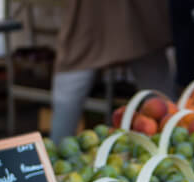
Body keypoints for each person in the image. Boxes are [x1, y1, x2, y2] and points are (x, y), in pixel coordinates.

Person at [51, 0, 173, 144]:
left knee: (160, 99)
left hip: (139, 17)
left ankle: (171, 149)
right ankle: (51, 157)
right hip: (89, 15)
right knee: (70, 86)